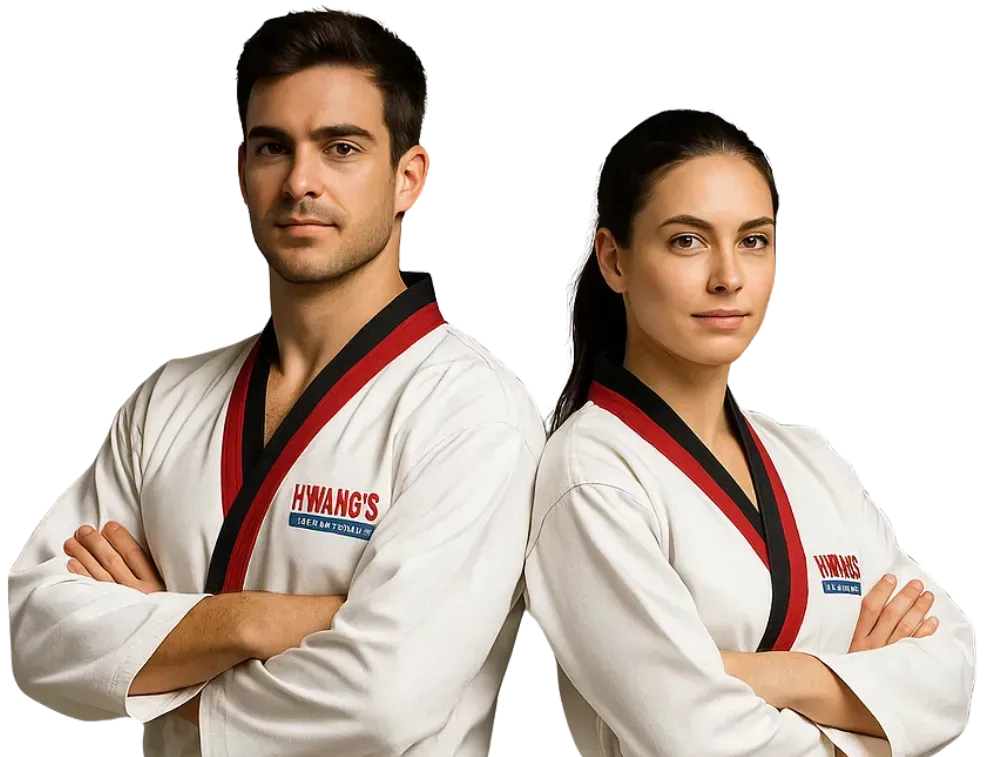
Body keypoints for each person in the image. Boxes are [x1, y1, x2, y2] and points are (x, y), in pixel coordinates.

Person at [8, 8, 545, 757]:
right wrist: (258, 620)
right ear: (242, 176)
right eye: (273, 148)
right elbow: (34, 629)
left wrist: (152, 638)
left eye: (341, 148)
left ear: (409, 178)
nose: (300, 181)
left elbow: (379, 700)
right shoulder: (169, 398)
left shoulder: (471, 412)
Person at [523, 107, 978, 757]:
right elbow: (698, 736)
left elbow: (955, 673)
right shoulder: (592, 473)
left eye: (753, 240)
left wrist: (748, 671)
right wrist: (871, 701)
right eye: (688, 240)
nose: (728, 277)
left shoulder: (813, 458)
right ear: (613, 260)